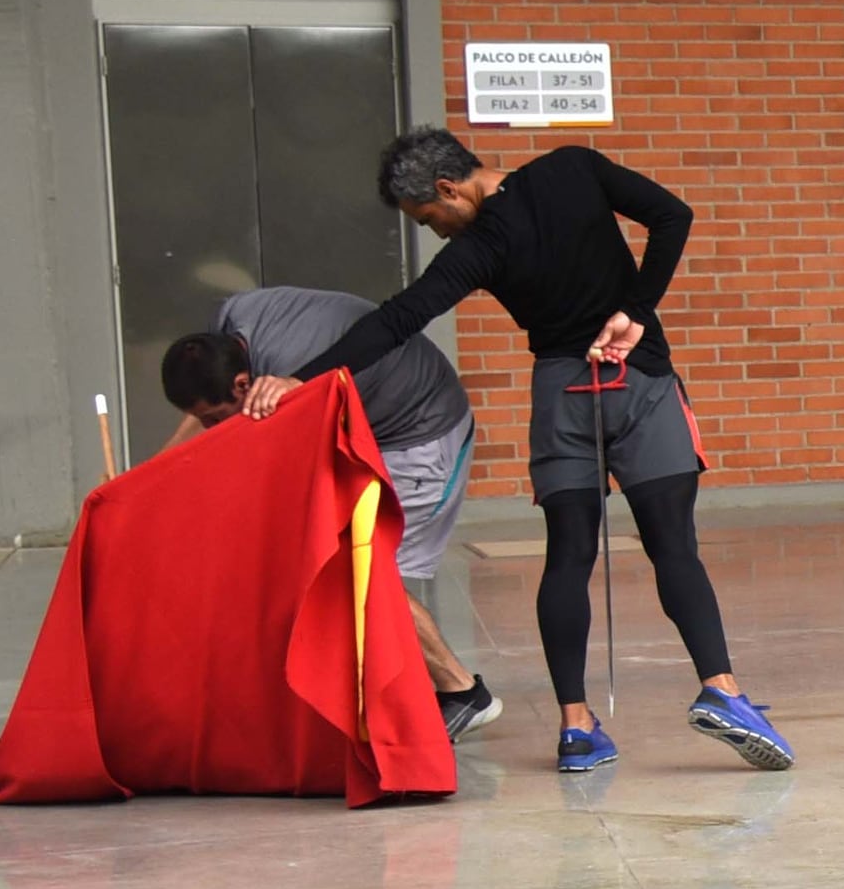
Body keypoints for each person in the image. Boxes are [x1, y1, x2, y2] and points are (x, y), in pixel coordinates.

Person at [245, 128, 794, 775]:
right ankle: (722, 691)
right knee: (674, 545)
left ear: (450, 189)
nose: (437, 233)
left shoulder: (479, 248)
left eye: (430, 219)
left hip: (563, 394)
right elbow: (674, 214)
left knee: (567, 556)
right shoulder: (574, 168)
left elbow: (396, 320)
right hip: (640, 380)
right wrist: (635, 310)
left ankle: (577, 728)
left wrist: (300, 380)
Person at [159, 289, 497, 741]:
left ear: (244, 384)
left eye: (217, 417)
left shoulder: (288, 380)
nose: (212, 428)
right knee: (334, 564)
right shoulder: (228, 324)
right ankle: (367, 691)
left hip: (421, 435)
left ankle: (461, 693)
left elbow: (266, 460)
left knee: (362, 572)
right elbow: (210, 421)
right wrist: (153, 474)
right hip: (372, 421)